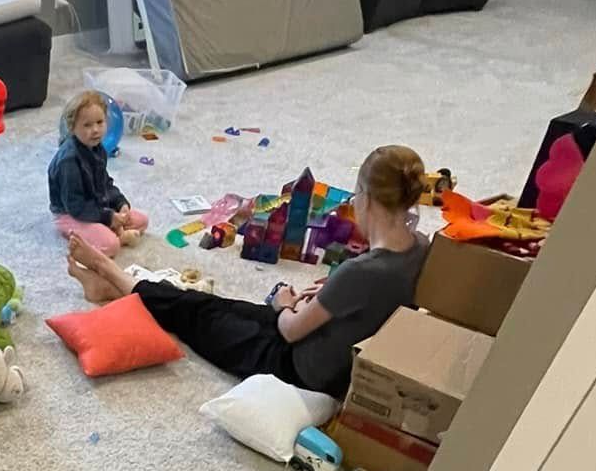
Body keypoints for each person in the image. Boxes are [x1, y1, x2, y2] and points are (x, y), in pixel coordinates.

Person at [65, 143, 428, 396]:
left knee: (196, 317)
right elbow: (365, 301)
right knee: (211, 303)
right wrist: (325, 295)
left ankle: (109, 271)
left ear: (366, 198)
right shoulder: (422, 247)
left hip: (295, 366)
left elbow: (289, 330)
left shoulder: (361, 272)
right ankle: (120, 288)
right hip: (326, 343)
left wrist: (284, 304)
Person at [47, 90, 148, 257]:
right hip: (70, 214)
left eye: (100, 122)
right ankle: (118, 237)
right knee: (111, 246)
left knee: (142, 221)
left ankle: (112, 231)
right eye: (87, 125)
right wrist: (108, 218)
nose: (95, 130)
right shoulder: (68, 161)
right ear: (72, 128)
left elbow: (105, 183)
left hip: (94, 204)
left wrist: (120, 204)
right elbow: (75, 206)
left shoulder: (97, 148)